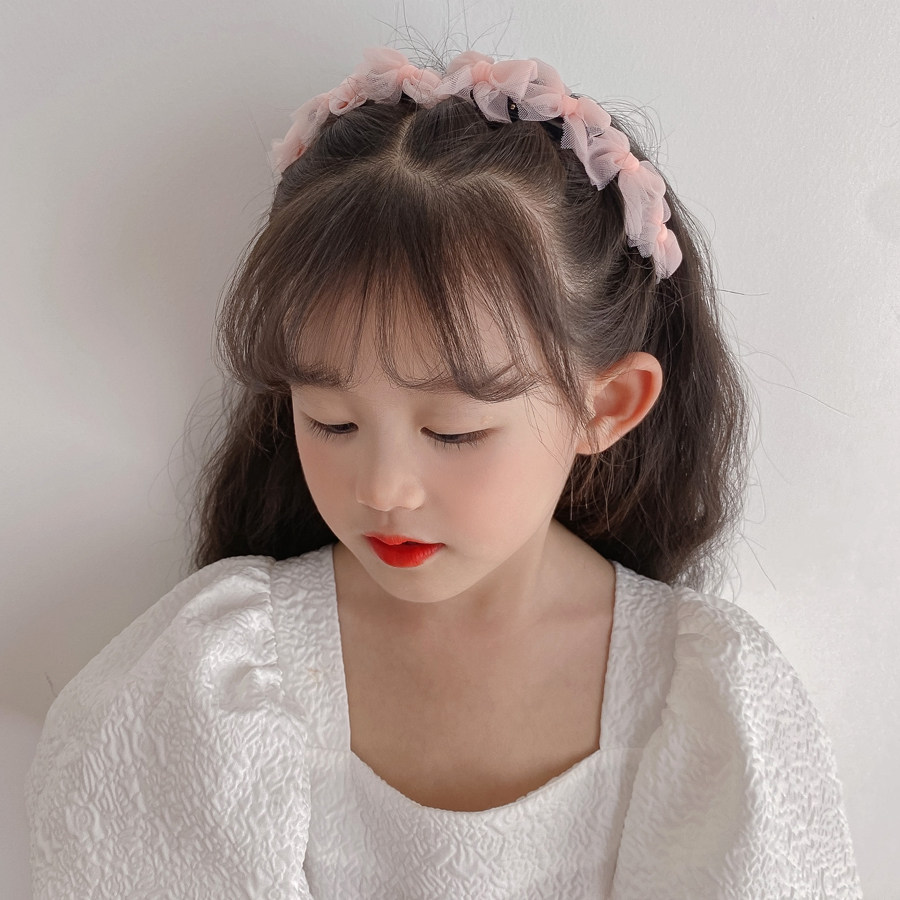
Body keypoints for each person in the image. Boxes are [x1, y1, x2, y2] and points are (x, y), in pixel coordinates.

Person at [24, 44, 862, 899]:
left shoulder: (709, 699)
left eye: (454, 431)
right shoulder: (214, 679)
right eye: (332, 420)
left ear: (606, 407)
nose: (383, 488)